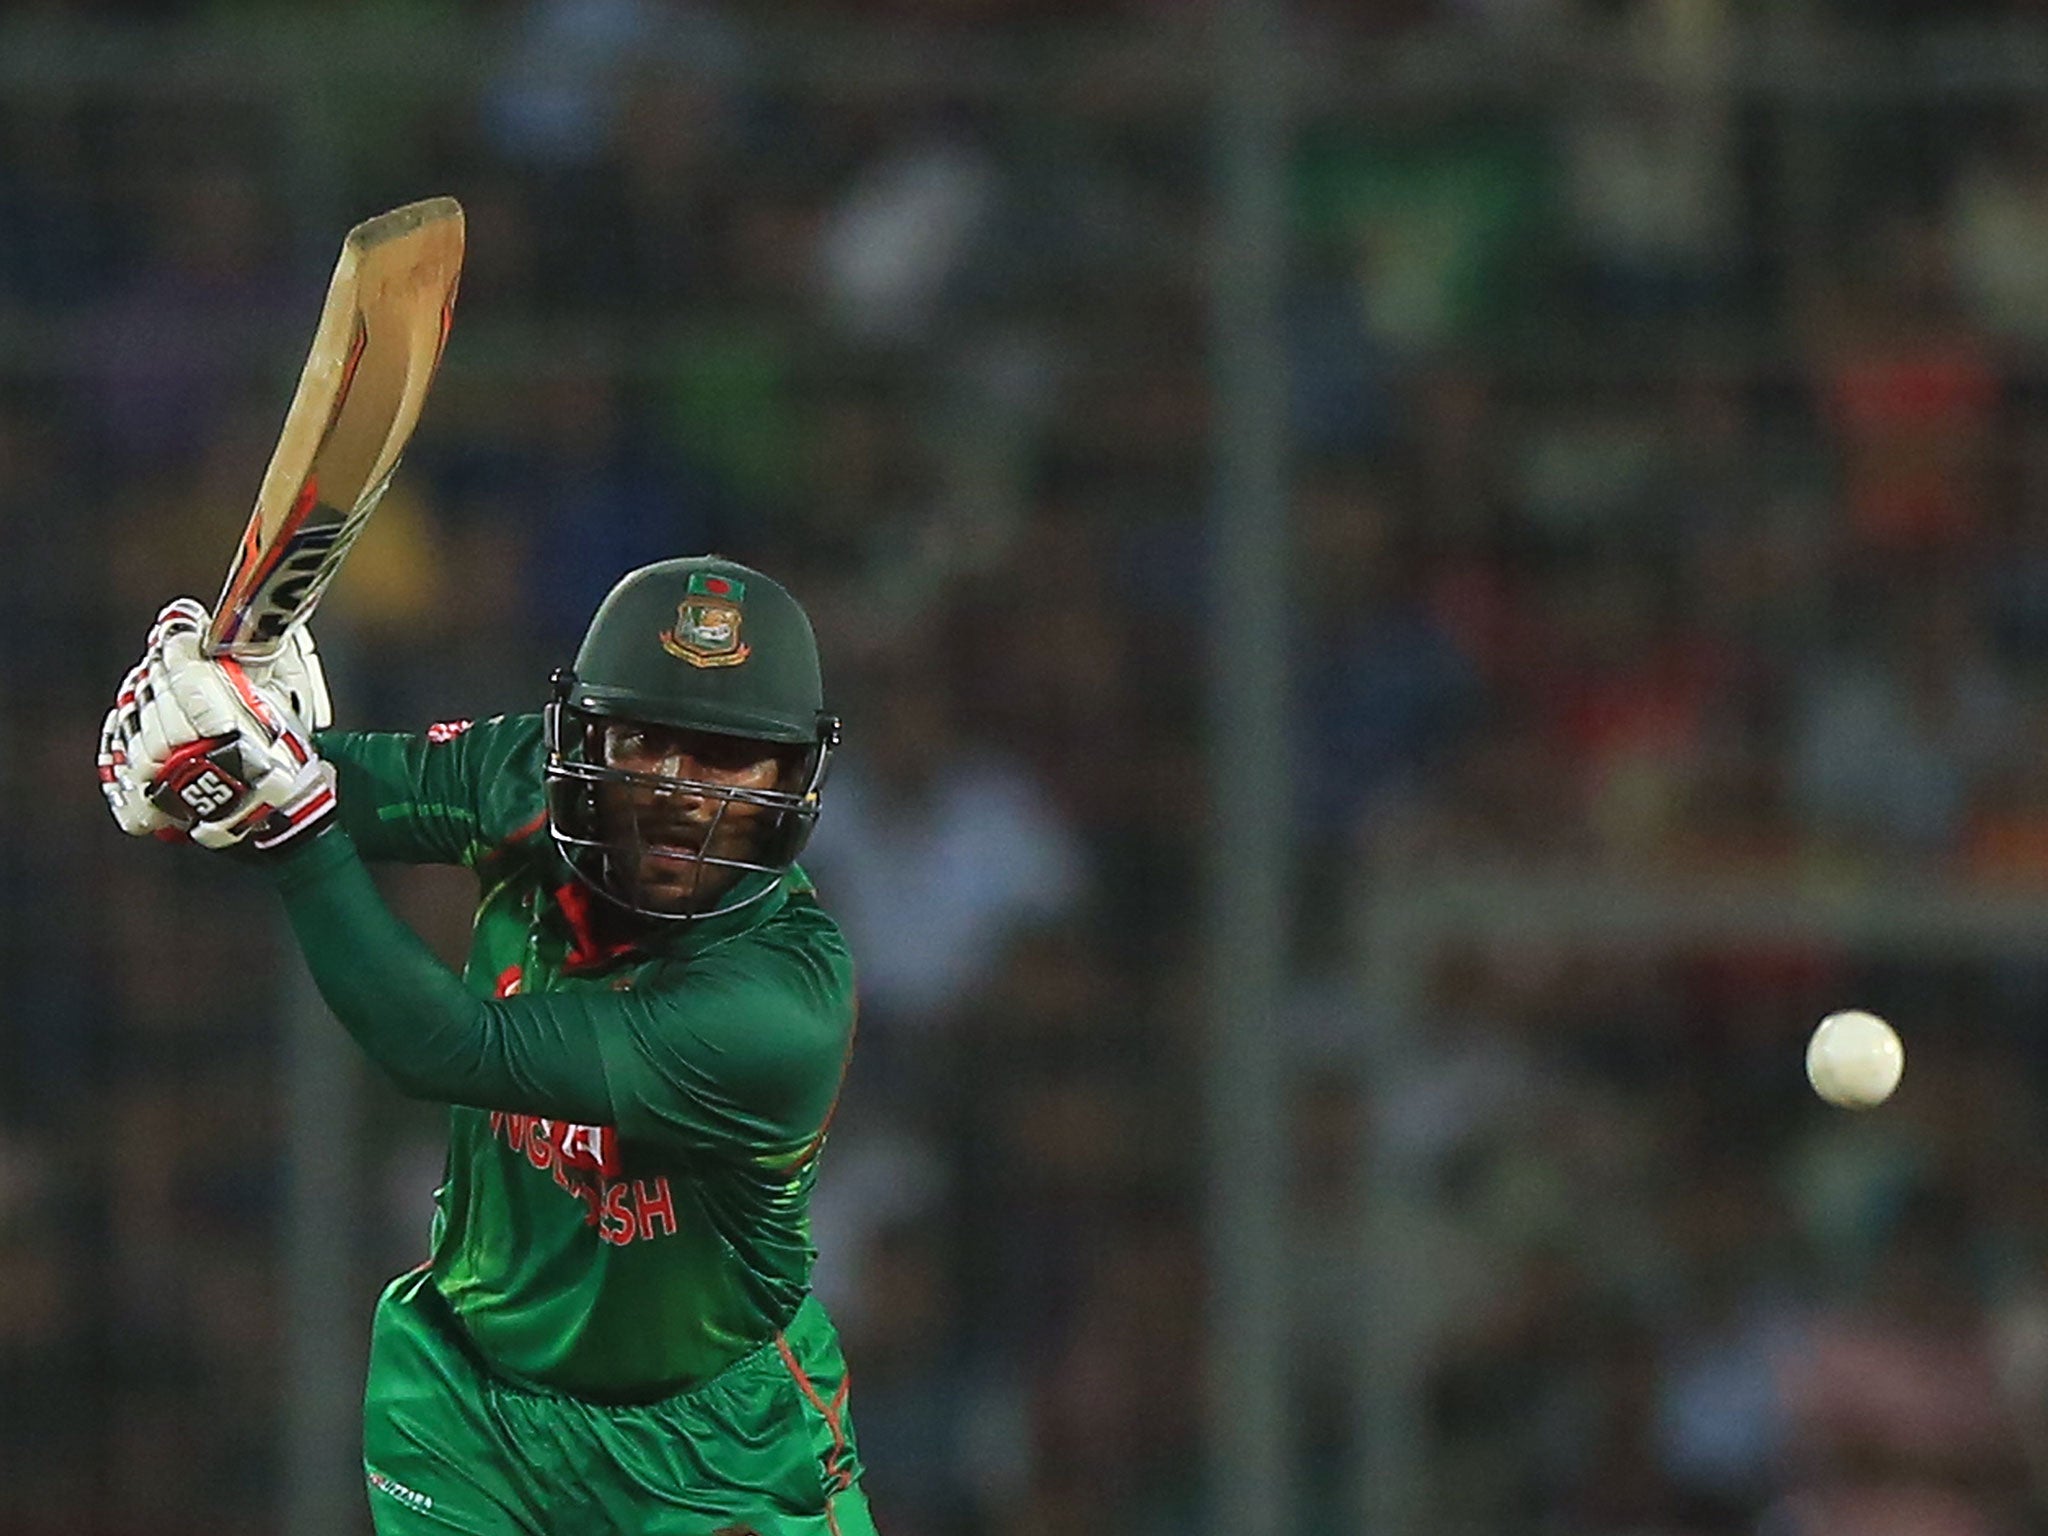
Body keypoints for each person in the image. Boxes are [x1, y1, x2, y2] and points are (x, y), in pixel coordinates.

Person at [96, 555, 878, 1536]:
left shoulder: (777, 1004)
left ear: (792, 779)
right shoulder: (528, 784)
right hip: (466, 1411)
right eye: (643, 742)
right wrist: (217, 747)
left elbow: (445, 1046)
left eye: (725, 756)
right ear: (582, 737)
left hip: (713, 1447)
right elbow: (326, 786)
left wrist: (279, 814)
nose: (680, 791)